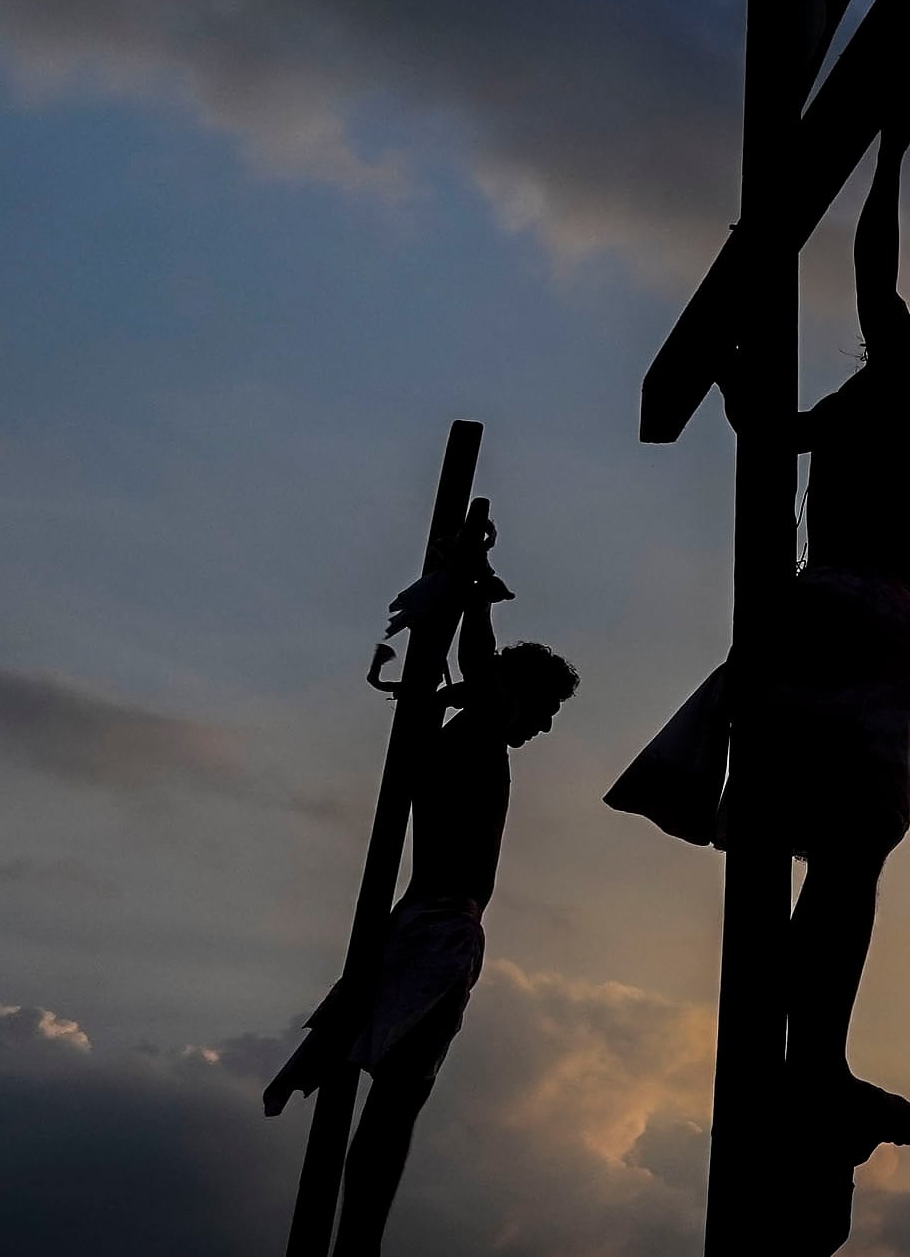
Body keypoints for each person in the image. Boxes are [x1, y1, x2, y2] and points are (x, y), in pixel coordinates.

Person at [609, 87, 910, 1167]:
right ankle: (816, 1061)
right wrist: (741, 361)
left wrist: (886, 156)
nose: (909, 313)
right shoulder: (909, 405)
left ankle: (809, 1067)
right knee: (848, 861)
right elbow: (800, 387)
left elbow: (865, 280)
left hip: (839, 610)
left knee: (802, 838)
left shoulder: (890, 385)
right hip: (891, 633)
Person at [266, 501, 578, 1257]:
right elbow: (479, 662)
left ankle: (357, 1238)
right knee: (399, 1098)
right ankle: (358, 1244)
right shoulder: (472, 730)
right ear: (508, 687)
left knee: (396, 1096)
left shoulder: (467, 729)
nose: (540, 728)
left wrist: (471, 580)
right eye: (539, 707)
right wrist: (469, 580)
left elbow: (478, 665)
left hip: (432, 922)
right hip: (439, 924)